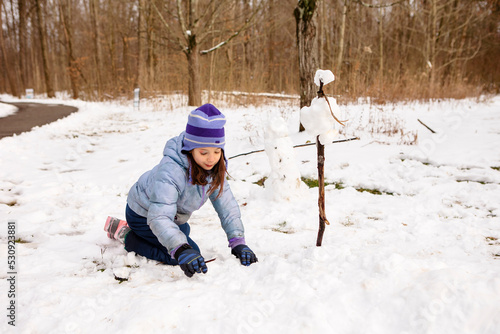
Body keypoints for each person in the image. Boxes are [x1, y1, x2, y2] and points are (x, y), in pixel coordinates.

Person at [104, 104, 258, 277]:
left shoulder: (213, 169)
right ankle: (127, 236)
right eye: (204, 152)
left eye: (217, 151)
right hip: (143, 213)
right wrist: (180, 249)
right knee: (186, 253)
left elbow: (227, 206)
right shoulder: (172, 171)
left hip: (168, 215)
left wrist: (237, 241)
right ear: (190, 149)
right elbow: (159, 216)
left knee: (183, 233)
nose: (211, 158)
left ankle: (153, 237)